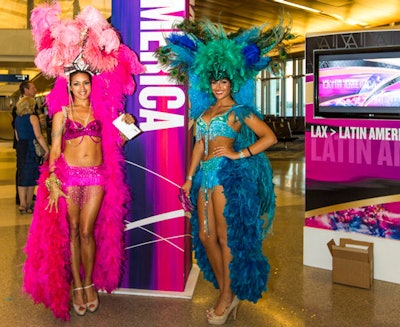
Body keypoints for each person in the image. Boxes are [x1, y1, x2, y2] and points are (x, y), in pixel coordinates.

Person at [157, 18, 292, 324]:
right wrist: (188, 178)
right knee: (204, 237)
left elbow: (269, 137)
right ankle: (225, 290)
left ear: (232, 82)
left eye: (224, 82)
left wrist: (239, 152)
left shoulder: (238, 112)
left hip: (225, 178)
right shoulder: (205, 111)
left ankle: (226, 297)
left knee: (224, 235)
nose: (218, 87)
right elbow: (197, 146)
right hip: (203, 177)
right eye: (214, 82)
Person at [22, 2, 145, 321]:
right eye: (75, 84)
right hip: (67, 178)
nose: (80, 88)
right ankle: (77, 285)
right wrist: (50, 178)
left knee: (88, 231)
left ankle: (89, 282)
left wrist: (127, 124)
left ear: (91, 84)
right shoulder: (62, 113)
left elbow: (116, 141)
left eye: (85, 83)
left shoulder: (104, 112)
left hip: (96, 178)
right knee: (73, 231)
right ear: (69, 86)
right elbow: (54, 148)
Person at [14, 97, 49, 213]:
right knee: (32, 174)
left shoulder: (17, 119)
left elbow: (17, 136)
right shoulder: (33, 117)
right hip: (31, 147)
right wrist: (46, 149)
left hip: (21, 147)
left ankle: (22, 203)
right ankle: (29, 203)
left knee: (22, 174)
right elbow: (38, 135)